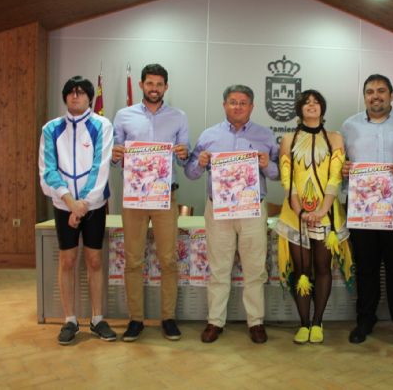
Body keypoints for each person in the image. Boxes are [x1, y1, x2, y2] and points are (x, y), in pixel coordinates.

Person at [185, 84, 279, 344]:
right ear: (224, 104)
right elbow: (190, 173)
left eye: (243, 102)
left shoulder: (265, 135)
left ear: (252, 106)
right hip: (219, 208)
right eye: (233, 102)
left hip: (252, 209)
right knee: (219, 267)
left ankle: (256, 322)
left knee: (255, 268)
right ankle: (215, 321)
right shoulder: (209, 135)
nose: (238, 106)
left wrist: (267, 165)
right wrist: (199, 163)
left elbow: (280, 174)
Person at [341, 74, 393, 348]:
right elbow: (340, 163)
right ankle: (365, 320)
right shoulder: (349, 126)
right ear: (364, 96)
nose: (375, 96)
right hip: (361, 206)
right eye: (370, 91)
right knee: (365, 266)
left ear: (391, 95)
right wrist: (343, 169)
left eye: (381, 91)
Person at [112, 64, 189, 342]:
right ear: (142, 85)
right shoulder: (124, 115)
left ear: (166, 87)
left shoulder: (179, 117)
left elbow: (184, 159)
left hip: (164, 196)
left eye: (159, 84)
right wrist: (115, 154)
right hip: (134, 197)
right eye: (149, 83)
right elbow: (114, 156)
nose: (154, 88)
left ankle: (168, 318)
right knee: (133, 260)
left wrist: (183, 153)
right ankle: (136, 320)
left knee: (168, 260)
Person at [39, 76, 116, 345]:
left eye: (81, 92)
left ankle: (97, 319)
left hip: (93, 205)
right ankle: (70, 320)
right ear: (65, 97)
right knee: (67, 261)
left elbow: (100, 167)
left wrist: (83, 204)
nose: (75, 96)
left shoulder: (102, 125)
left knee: (94, 261)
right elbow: (48, 170)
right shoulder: (51, 129)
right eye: (71, 92)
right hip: (64, 205)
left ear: (90, 98)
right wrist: (71, 203)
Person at [275, 90, 354, 344]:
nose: (311, 105)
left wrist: (322, 210)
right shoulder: (288, 139)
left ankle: (318, 322)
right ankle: (303, 324)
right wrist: (300, 210)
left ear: (322, 108)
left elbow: (335, 178)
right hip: (295, 215)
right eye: (306, 102)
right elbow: (287, 180)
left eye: (316, 102)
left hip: (326, 215)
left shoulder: (335, 138)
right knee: (301, 270)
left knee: (322, 268)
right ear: (299, 109)